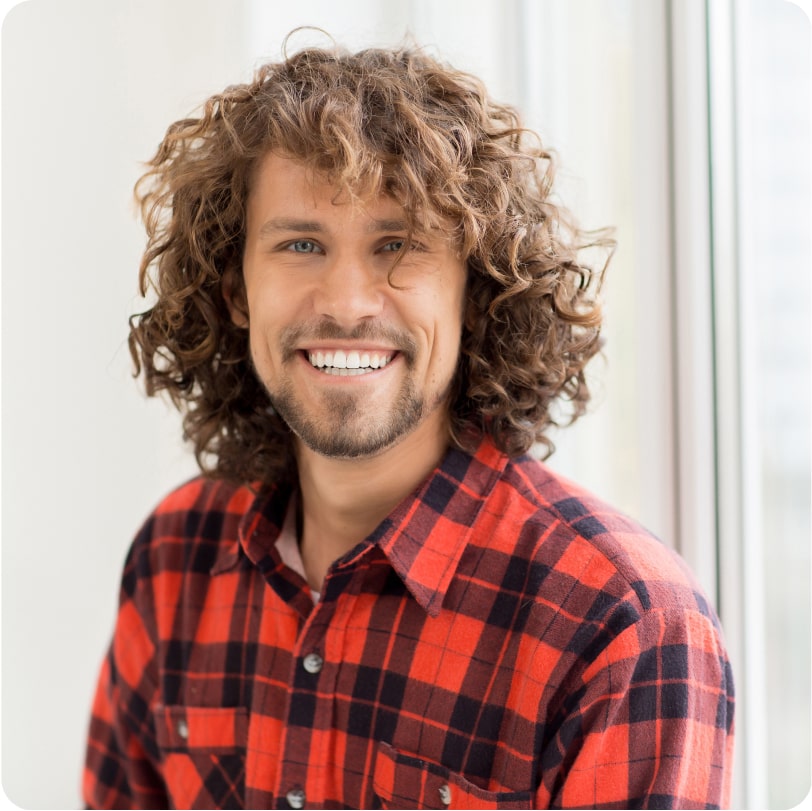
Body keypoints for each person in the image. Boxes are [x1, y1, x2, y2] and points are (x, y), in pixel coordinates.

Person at [83, 39, 734, 810]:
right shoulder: (175, 558)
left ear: (476, 290)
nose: (349, 300)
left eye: (399, 245)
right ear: (236, 292)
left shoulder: (622, 624)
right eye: (300, 244)